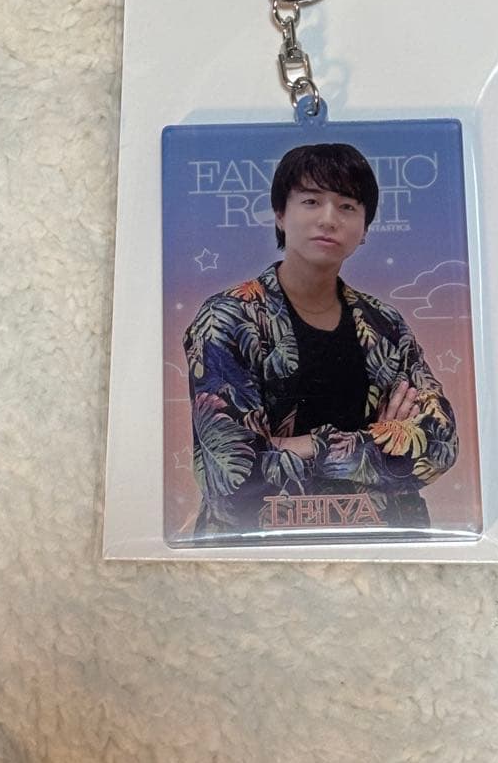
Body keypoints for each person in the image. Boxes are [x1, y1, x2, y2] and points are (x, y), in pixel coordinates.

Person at [183, 142, 458, 538]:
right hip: (261, 548)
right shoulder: (228, 318)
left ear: (365, 229)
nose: (329, 219)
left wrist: (304, 445)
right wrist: (379, 442)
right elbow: (232, 477)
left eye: (347, 206)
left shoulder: (385, 324)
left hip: (386, 543)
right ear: (280, 214)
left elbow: (439, 445)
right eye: (311, 201)